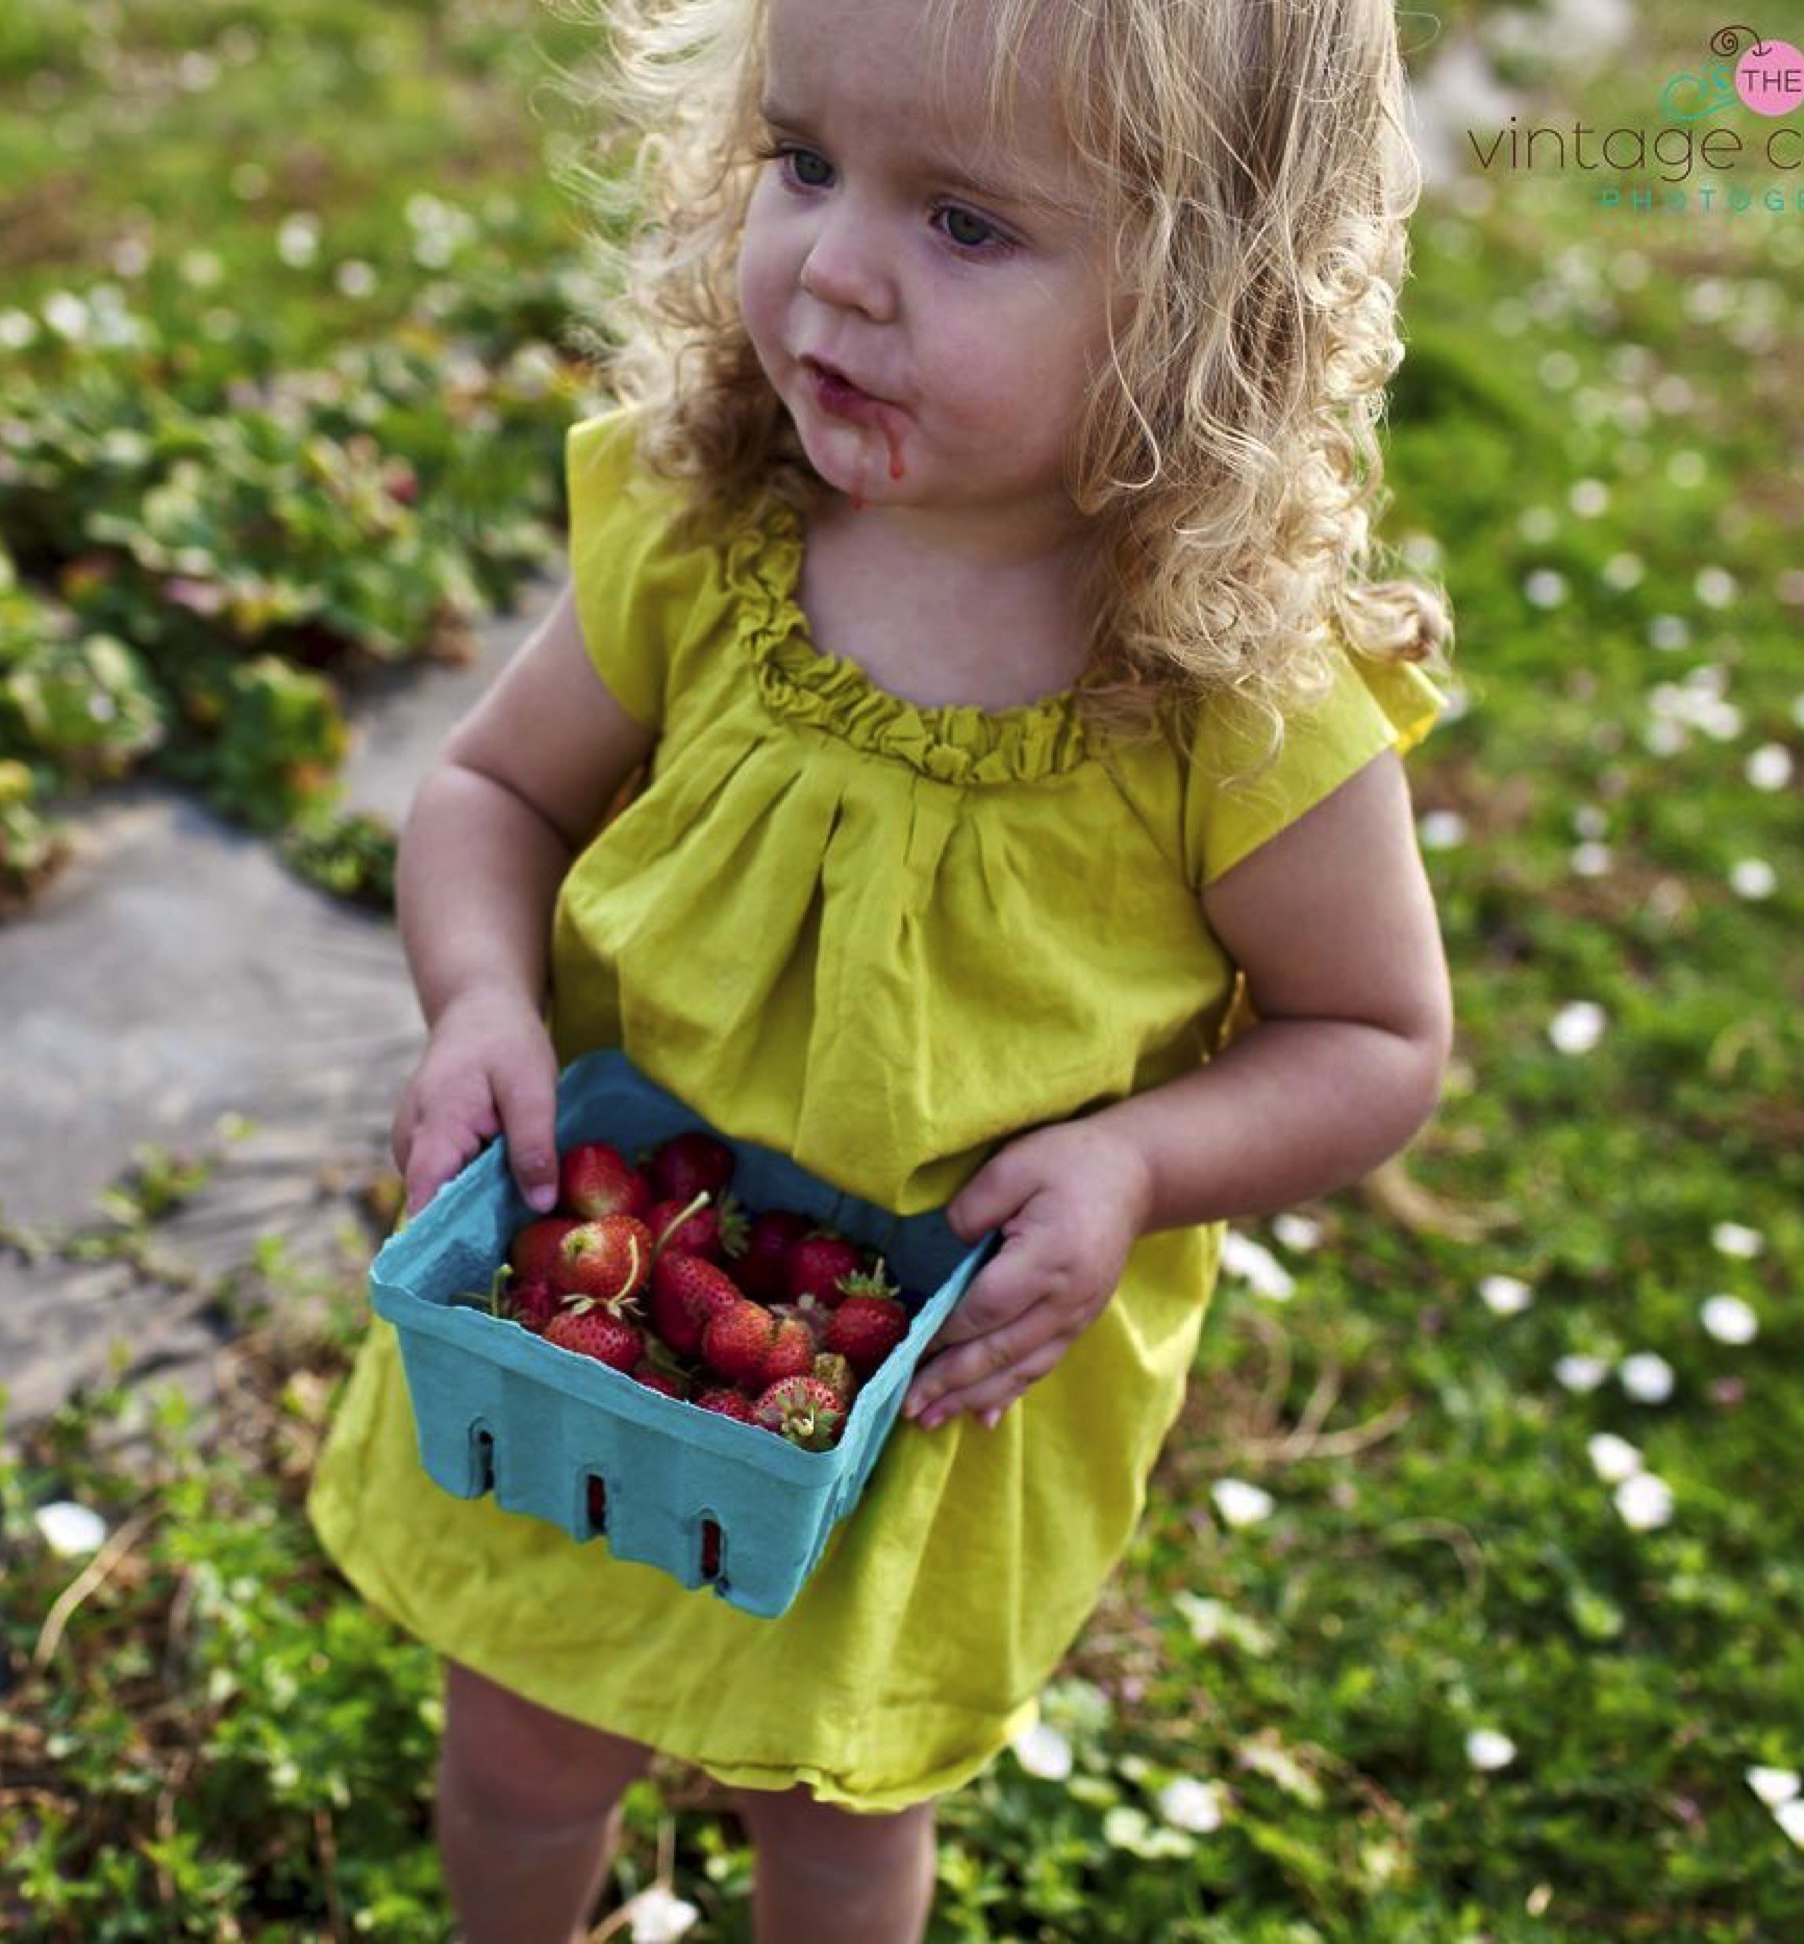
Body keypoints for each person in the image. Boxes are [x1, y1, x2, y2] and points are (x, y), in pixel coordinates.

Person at [307, 0, 1458, 1932]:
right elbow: (493, 791)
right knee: (520, 1746)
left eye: (968, 226)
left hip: (912, 1408)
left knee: (835, 1808)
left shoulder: (1228, 706)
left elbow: (1375, 1036)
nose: (831, 268)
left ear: (1203, 304)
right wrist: (483, 1001)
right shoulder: (703, 539)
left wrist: (1136, 1164)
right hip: (586, 1322)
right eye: (805, 162)